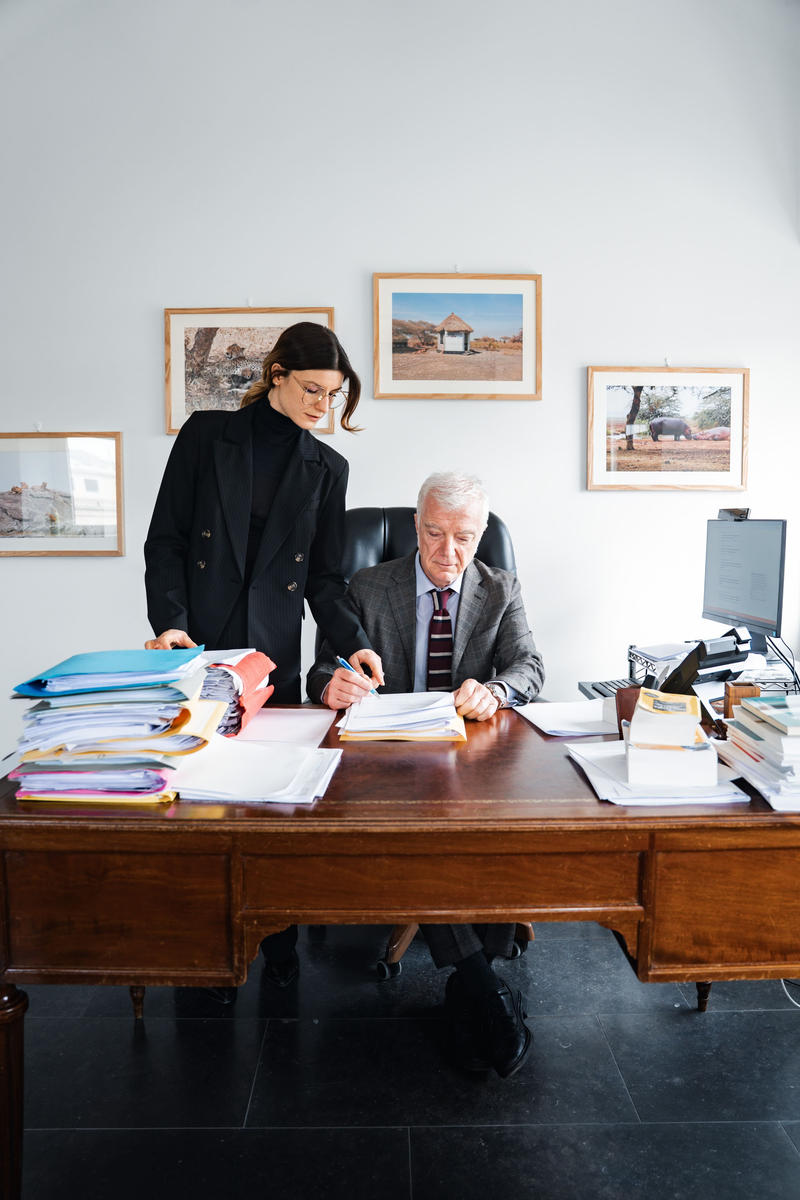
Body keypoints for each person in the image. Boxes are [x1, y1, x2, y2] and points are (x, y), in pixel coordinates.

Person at [144, 322, 384, 991]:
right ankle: (199, 945)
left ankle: (276, 944)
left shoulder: (327, 468)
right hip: (196, 647)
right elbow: (164, 541)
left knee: (267, 804)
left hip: (270, 655)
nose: (321, 407)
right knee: (195, 796)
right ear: (276, 374)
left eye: (333, 396)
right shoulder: (204, 437)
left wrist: (356, 641)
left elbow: (326, 581)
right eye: (312, 389)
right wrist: (168, 624)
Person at [307, 471, 544, 1077]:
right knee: (426, 837)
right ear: (415, 526)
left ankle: (473, 977)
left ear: (482, 534)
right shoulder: (365, 586)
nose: (448, 553)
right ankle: (482, 986)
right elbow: (318, 672)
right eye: (434, 534)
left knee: (475, 828)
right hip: (385, 760)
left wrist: (496, 690)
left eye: (464, 537)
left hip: (471, 762)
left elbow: (531, 668)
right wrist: (332, 685)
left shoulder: (502, 588)